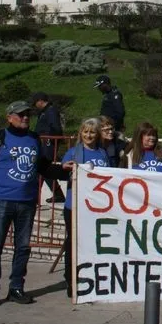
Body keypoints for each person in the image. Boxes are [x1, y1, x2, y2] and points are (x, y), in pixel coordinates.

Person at [0, 101, 66, 309]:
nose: (25, 117)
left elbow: (43, 168)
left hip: (26, 201)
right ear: (9, 117)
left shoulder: (34, 138)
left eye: (28, 114)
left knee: (23, 247)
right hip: (1, 200)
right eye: (20, 114)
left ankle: (16, 287)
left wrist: (65, 170)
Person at [58, 118, 110, 297]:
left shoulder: (103, 154)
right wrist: (64, 168)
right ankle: (71, 279)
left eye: (92, 132)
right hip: (74, 206)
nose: (89, 135)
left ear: (97, 135)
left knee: (93, 243)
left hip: (96, 207)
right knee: (73, 243)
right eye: (85, 131)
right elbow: (62, 172)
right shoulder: (73, 153)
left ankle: (90, 277)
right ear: (81, 133)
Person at [30, 92, 65, 204]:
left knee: (43, 168)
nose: (35, 106)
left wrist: (49, 139)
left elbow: (56, 128)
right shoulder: (45, 112)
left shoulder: (50, 111)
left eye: (35, 103)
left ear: (40, 101)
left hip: (47, 144)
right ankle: (56, 194)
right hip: (44, 143)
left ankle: (36, 197)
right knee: (43, 169)